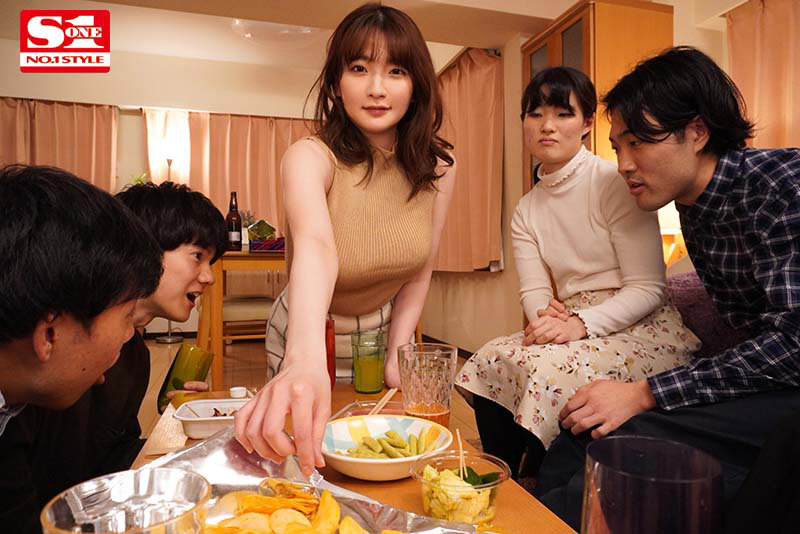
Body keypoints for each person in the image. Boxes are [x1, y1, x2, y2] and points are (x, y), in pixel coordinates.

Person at [534, 46, 800, 530]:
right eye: (618, 147)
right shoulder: (693, 207)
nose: (623, 164)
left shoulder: (782, 185)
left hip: (791, 384)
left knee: (632, 449)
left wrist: (649, 392)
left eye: (638, 142)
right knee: (579, 436)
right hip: (769, 379)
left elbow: (793, 344)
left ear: (696, 132)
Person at [235, 2, 456, 476]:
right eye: (359, 68)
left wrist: (398, 354)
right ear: (337, 82)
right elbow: (316, 246)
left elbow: (421, 268)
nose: (377, 88)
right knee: (300, 460)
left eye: (396, 71)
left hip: (382, 328)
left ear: (416, 84)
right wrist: (303, 357)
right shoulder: (309, 157)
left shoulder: (439, 167)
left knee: (375, 457)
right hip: (310, 324)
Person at [457, 67, 699, 478]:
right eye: (535, 114)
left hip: (639, 324)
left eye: (562, 114)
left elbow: (648, 288)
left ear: (587, 123)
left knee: (545, 371)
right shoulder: (526, 209)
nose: (547, 126)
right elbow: (534, 290)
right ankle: (503, 479)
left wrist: (579, 324)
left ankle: (543, 481)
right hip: (569, 320)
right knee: (491, 357)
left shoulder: (616, 181)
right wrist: (545, 318)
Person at [0, 180, 227, 533]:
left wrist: (188, 442)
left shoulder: (132, 356)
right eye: (197, 255)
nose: (209, 277)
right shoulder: (30, 381)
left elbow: (110, 456)